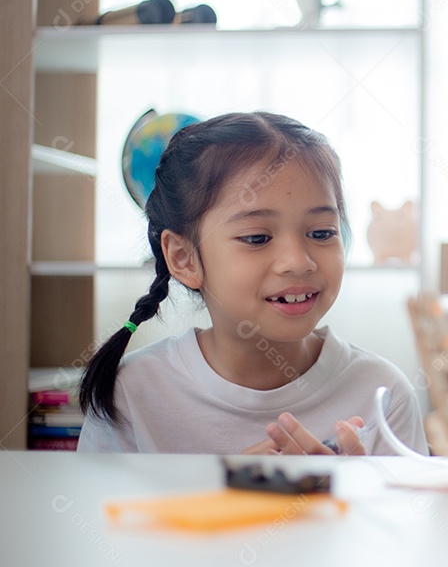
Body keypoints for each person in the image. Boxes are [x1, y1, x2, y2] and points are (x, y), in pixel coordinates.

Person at [77, 112, 428, 456]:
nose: (298, 261)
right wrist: (228, 506)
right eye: (257, 238)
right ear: (184, 258)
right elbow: (100, 515)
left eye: (321, 233)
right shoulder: (130, 393)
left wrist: (349, 499)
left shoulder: (384, 395)